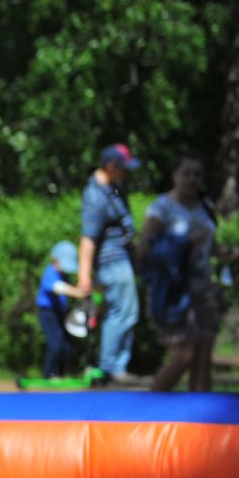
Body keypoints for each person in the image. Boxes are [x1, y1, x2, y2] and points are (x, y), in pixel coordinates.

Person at [138, 155, 220, 392]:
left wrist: (229, 253)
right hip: (173, 290)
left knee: (203, 354)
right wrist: (183, 242)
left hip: (203, 287)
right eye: (187, 173)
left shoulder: (206, 206)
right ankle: (148, 413)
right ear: (175, 175)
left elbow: (211, 247)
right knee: (183, 354)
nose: (192, 179)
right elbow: (145, 248)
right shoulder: (161, 208)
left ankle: (204, 420)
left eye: (198, 174)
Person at [76, 143, 141, 386]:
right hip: (111, 261)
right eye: (123, 168)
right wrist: (84, 276)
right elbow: (88, 238)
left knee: (127, 311)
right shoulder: (96, 195)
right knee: (122, 312)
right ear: (110, 166)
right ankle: (111, 367)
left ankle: (116, 365)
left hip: (121, 259)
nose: (126, 173)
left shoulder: (113, 189)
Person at [34, 240, 85, 380]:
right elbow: (58, 287)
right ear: (54, 260)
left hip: (60, 312)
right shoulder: (49, 273)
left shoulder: (64, 275)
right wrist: (76, 292)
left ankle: (61, 374)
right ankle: (49, 374)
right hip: (47, 312)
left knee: (65, 346)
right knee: (55, 344)